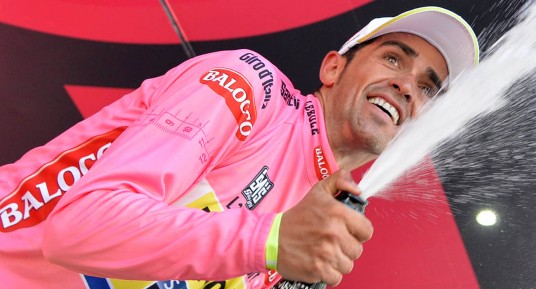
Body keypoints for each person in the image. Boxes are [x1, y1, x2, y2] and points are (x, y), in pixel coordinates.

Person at [0, 6, 478, 289]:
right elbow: (78, 229)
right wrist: (266, 240)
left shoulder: (320, 226)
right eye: (393, 57)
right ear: (333, 69)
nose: (405, 85)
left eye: (428, 87)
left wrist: (274, 250)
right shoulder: (252, 87)